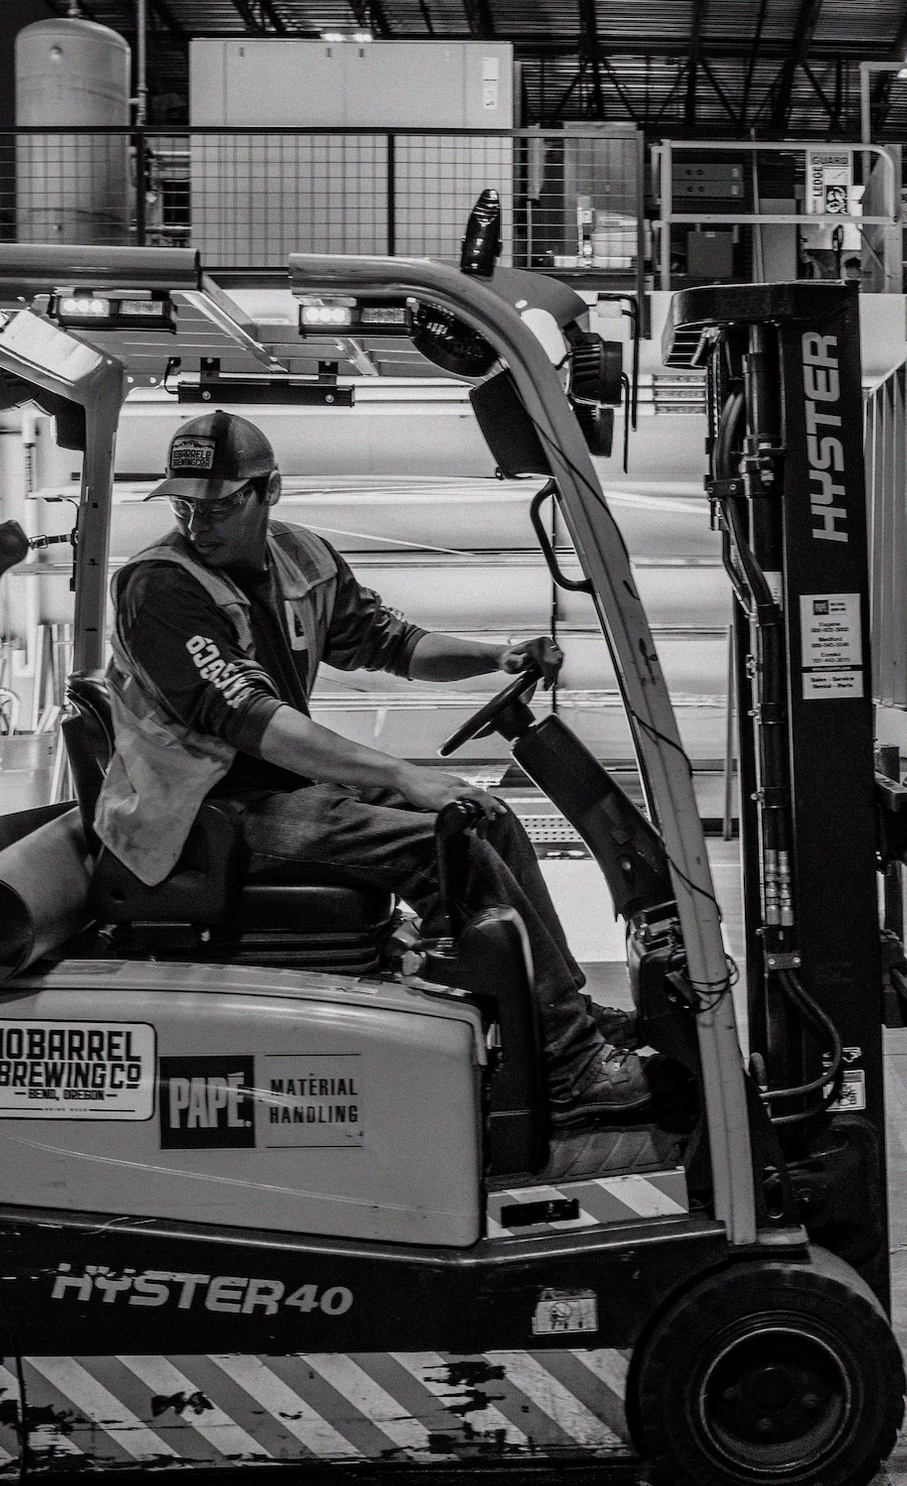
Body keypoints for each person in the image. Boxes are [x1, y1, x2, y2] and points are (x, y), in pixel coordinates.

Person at [94, 410, 650, 1120]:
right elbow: (251, 719)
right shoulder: (159, 587)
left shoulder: (301, 559)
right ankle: (570, 1069)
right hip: (200, 819)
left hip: (274, 792)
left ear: (271, 491)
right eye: (185, 504)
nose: (199, 522)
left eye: (221, 503)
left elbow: (394, 643)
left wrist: (492, 656)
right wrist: (399, 775)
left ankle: (563, 1017)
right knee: (446, 845)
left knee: (490, 817)